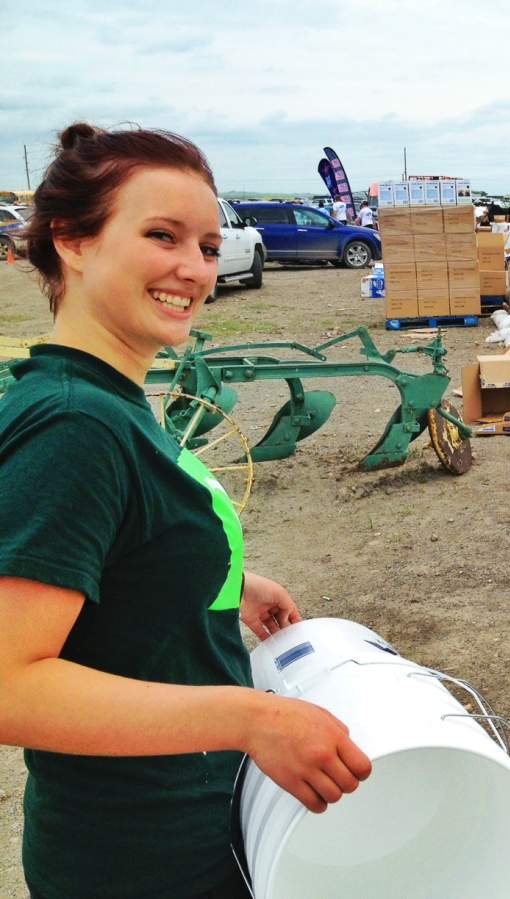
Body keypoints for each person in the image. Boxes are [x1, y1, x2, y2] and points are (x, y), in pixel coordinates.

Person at [0, 123, 372, 899]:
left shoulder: (113, 398)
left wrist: (231, 580)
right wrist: (250, 718)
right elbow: (9, 686)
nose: (194, 269)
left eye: (207, 245)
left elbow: (119, 552)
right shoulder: (76, 423)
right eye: (162, 235)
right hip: (136, 854)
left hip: (188, 825)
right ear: (72, 240)